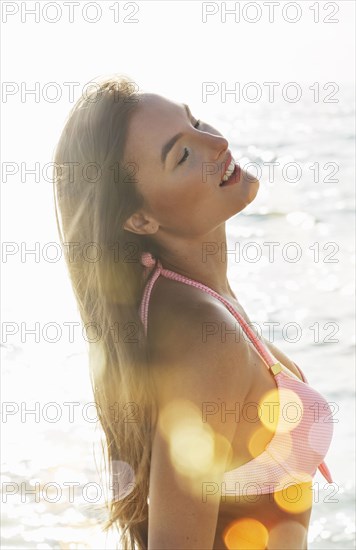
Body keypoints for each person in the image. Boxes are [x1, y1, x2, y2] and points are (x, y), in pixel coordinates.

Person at [53, 74, 334, 550]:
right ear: (140, 219)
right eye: (182, 154)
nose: (216, 142)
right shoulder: (204, 334)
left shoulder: (188, 295)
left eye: (196, 120)